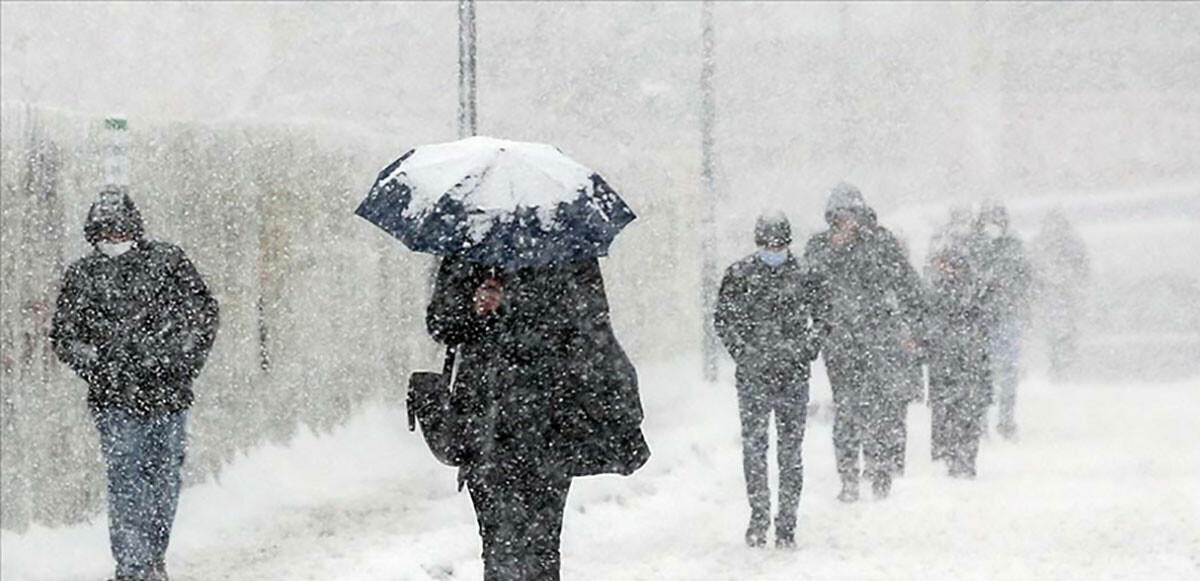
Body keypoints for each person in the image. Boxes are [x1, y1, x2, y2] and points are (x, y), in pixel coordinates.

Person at [426, 256, 649, 581]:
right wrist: (475, 309)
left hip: (549, 423)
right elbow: (440, 324)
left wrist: (519, 310)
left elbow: (590, 326)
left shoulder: (570, 253)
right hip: (485, 423)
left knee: (541, 544)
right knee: (498, 545)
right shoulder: (468, 251)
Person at [50, 189, 219, 581]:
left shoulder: (168, 262)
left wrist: (177, 361)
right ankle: (131, 566)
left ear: (134, 227)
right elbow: (65, 336)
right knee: (126, 478)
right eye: (104, 230)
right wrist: (103, 365)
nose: (112, 237)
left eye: (119, 228)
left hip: (168, 395)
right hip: (115, 399)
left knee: (163, 480)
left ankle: (152, 558)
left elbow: (202, 316)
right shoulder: (82, 276)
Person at [803, 183, 923, 502]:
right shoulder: (819, 246)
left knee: (880, 407)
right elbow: (807, 289)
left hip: (878, 340)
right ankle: (848, 477)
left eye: (850, 214)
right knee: (846, 409)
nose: (846, 221)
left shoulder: (880, 243)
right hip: (839, 343)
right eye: (839, 215)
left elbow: (908, 285)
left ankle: (880, 469)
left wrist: (913, 328)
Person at [714, 211, 823, 549]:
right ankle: (759, 516)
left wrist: (805, 348)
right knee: (755, 448)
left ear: (788, 244)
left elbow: (823, 317)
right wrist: (745, 352)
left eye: (778, 244)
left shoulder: (806, 275)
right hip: (754, 377)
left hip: (793, 376)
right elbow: (724, 320)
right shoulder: (739, 275)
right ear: (757, 243)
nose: (772, 249)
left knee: (790, 452)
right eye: (767, 244)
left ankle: (787, 523)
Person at [924, 245, 991, 478]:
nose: (945, 270)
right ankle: (954, 457)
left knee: (967, 413)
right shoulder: (937, 292)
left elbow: (985, 322)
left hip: (967, 361)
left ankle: (964, 458)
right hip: (949, 362)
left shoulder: (974, 292)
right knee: (951, 412)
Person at [974, 202, 1033, 440]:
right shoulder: (978, 249)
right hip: (984, 320)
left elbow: (1025, 281)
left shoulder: (1013, 249)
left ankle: (1005, 420)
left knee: (1006, 372)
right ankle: (983, 423)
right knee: (982, 373)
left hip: (1005, 318)